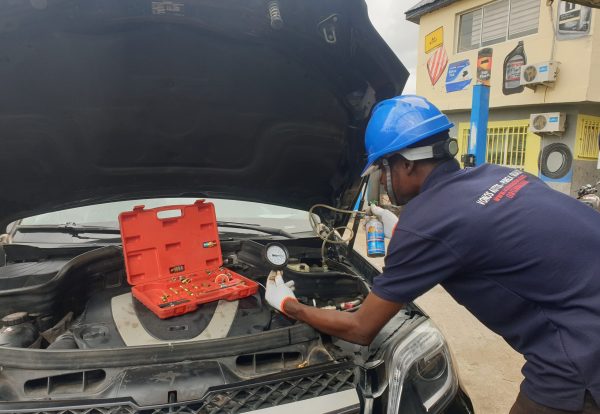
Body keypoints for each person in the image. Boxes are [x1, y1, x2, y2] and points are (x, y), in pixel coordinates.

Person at [265, 95, 600, 414]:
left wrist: (289, 305)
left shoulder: (427, 223)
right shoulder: (498, 174)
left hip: (581, 354)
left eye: (382, 170)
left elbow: (360, 328)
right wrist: (405, 229)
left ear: (406, 165)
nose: (383, 182)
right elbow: (485, 237)